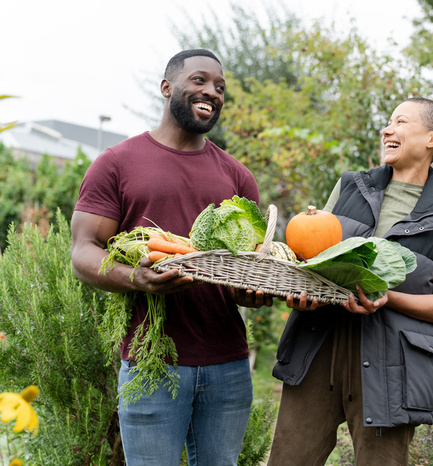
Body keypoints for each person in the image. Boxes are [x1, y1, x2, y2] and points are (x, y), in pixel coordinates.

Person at [71, 49, 271, 465]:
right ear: (167, 88)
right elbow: (83, 252)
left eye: (219, 87)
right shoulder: (116, 164)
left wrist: (252, 292)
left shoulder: (237, 176)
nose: (211, 92)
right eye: (199, 80)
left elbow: (245, 269)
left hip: (228, 366)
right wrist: (136, 279)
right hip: (151, 362)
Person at [267, 97, 433, 465]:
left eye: (400, 122)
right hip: (319, 345)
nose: (387, 129)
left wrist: (386, 297)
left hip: (392, 365)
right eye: (388, 122)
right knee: (289, 459)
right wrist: (303, 293)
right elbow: (316, 258)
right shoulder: (350, 187)